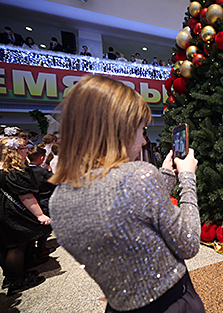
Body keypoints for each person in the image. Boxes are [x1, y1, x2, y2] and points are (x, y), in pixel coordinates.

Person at [48, 75, 205, 313]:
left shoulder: (58, 200)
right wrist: (187, 177)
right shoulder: (138, 175)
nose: (143, 141)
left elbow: (132, 210)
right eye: (141, 130)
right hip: (172, 303)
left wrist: (166, 173)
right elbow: (189, 244)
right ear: (119, 129)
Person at [0, 136, 51, 296]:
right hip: (13, 213)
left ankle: (11, 277)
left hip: (3, 210)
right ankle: (17, 282)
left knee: (5, 246)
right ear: (14, 152)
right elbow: (26, 197)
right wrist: (40, 215)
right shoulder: (15, 171)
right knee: (18, 245)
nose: (27, 151)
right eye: (24, 149)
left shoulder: (2, 169)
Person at [27, 146, 55, 259]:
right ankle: (41, 249)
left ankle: (32, 249)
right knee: (45, 228)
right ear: (42, 157)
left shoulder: (23, 170)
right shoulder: (43, 171)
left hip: (29, 203)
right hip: (44, 201)